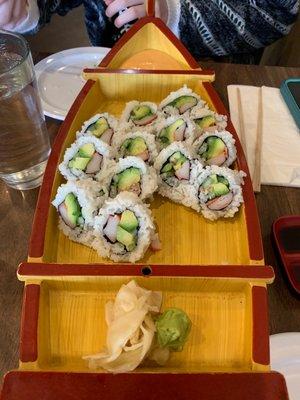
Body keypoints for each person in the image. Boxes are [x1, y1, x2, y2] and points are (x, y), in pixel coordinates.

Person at [0, 0, 299, 63]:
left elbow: (274, 12)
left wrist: (173, 12)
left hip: (213, 76)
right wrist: (23, 10)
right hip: (110, 66)